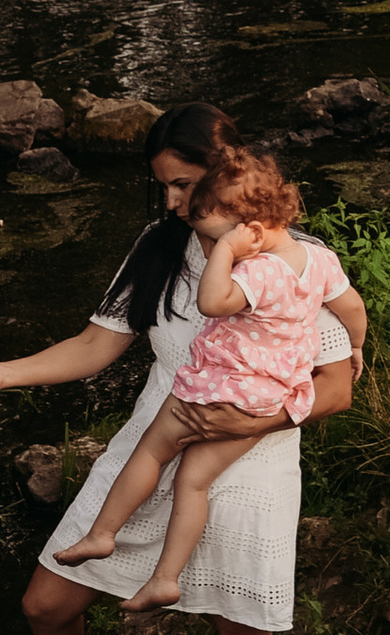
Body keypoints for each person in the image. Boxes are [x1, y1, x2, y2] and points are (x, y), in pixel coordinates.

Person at [0, 100, 360, 635]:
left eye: (184, 184)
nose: (174, 203)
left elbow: (337, 386)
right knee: (45, 603)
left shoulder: (291, 261)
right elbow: (98, 343)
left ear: (228, 174)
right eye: (165, 188)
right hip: (151, 448)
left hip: (246, 459)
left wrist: (259, 418)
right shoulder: (160, 245)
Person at [56, 147, 363, 608]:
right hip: (264, 398)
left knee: (152, 451)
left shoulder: (257, 270)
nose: (207, 242)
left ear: (250, 231)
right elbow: (352, 308)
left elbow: (213, 304)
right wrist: (357, 345)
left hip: (215, 387)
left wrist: (226, 255)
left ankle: (102, 534)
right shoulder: (319, 262)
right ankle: (166, 578)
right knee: (193, 482)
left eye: (213, 236)